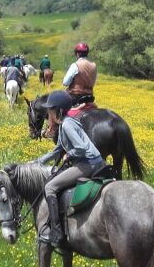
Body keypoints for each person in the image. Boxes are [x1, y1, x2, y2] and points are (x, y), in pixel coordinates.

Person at [34, 90, 105, 247]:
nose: (48, 113)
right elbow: (57, 150)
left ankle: (57, 232)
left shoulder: (66, 125)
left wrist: (70, 155)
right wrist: (37, 161)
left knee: (50, 187)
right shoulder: (65, 123)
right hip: (92, 161)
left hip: (89, 164)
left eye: (50, 110)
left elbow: (80, 148)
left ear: (57, 110)